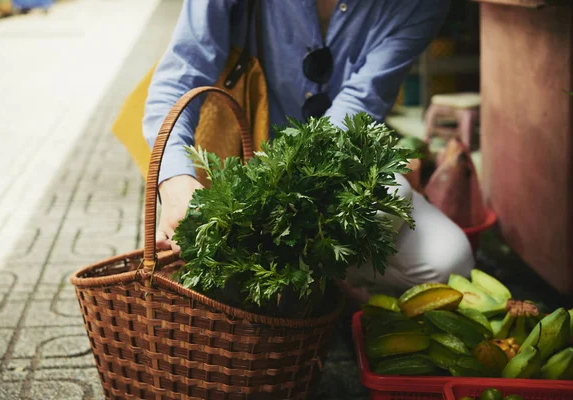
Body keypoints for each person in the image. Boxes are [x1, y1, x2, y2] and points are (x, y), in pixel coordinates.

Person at [142, 0, 475, 300]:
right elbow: (179, 77)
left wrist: (292, 192)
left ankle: (299, 284)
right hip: (232, 176)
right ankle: (280, 285)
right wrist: (174, 182)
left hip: (325, 171)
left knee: (448, 258)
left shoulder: (419, 5)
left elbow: (361, 101)